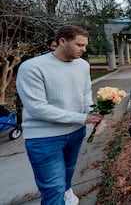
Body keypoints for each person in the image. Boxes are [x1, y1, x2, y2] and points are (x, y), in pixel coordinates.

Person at [16, 25, 103, 205]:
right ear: (62, 41)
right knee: (53, 189)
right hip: (44, 138)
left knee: (68, 172)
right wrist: (82, 118)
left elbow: (85, 93)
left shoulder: (83, 65)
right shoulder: (32, 67)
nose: (84, 49)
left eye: (85, 45)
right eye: (79, 45)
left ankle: (67, 192)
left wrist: (92, 112)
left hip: (76, 133)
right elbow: (37, 108)